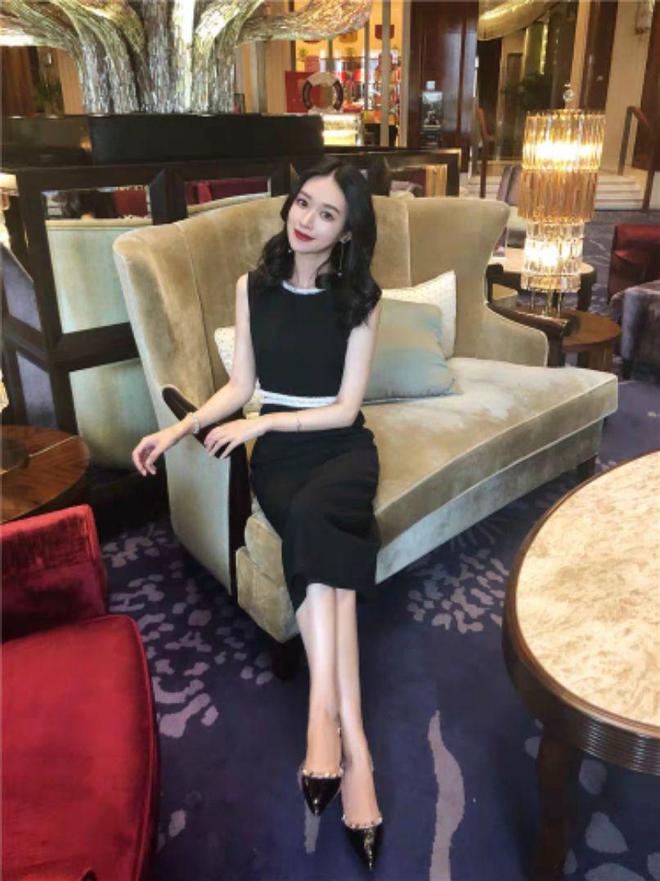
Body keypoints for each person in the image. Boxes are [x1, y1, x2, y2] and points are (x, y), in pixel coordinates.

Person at [132, 158, 384, 870]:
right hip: (279, 460)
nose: (306, 220)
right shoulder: (254, 287)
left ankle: (330, 722)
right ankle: (354, 741)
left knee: (312, 525)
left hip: (339, 448)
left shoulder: (361, 299)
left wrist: (264, 424)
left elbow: (345, 408)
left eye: (327, 214)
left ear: (346, 232)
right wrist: (179, 427)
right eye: (303, 203)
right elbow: (240, 384)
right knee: (321, 553)